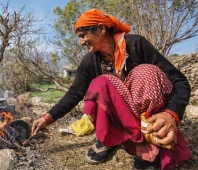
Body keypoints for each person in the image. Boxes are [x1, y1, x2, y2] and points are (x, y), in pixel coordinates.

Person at [31, 9, 192, 170]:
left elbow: (179, 82)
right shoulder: (90, 61)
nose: (81, 42)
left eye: (83, 35)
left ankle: (149, 143)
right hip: (122, 115)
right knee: (101, 84)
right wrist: (47, 118)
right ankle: (111, 138)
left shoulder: (136, 44)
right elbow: (74, 94)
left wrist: (171, 114)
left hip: (149, 118)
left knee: (146, 72)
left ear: (101, 29)